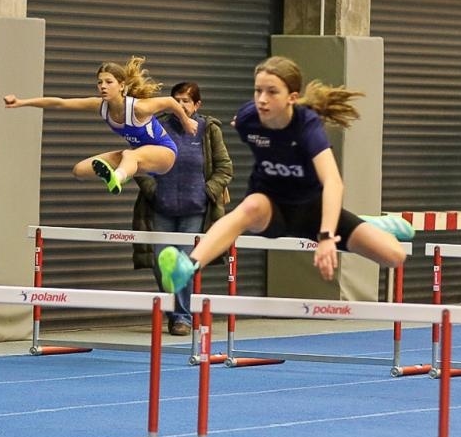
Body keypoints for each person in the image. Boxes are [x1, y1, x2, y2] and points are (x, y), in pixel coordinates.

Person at [155, 56, 414, 310]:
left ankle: (370, 222)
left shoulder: (306, 126)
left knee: (394, 256)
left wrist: (326, 238)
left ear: (292, 97)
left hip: (314, 212)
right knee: (250, 206)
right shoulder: (249, 119)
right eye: (258, 91)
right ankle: (187, 266)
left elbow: (333, 182)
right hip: (271, 206)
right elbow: (240, 122)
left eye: (272, 92)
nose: (262, 99)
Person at [3, 56, 198, 194]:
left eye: (108, 82)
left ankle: (120, 178)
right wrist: (22, 102)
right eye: (99, 82)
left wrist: (186, 121)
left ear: (121, 86)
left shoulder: (138, 107)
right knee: (80, 170)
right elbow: (59, 102)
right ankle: (122, 173)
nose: (103, 86)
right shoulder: (100, 106)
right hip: (140, 157)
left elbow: (170, 103)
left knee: (129, 154)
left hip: (164, 154)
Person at [130, 81, 234, 335]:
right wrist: (153, 190)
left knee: (183, 264)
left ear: (197, 105)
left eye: (186, 100)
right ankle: (175, 311)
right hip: (162, 208)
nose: (181, 105)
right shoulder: (158, 126)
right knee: (161, 264)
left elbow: (224, 168)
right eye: (177, 99)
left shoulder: (208, 130)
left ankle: (182, 318)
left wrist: (207, 190)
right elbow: (138, 161)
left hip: (194, 210)